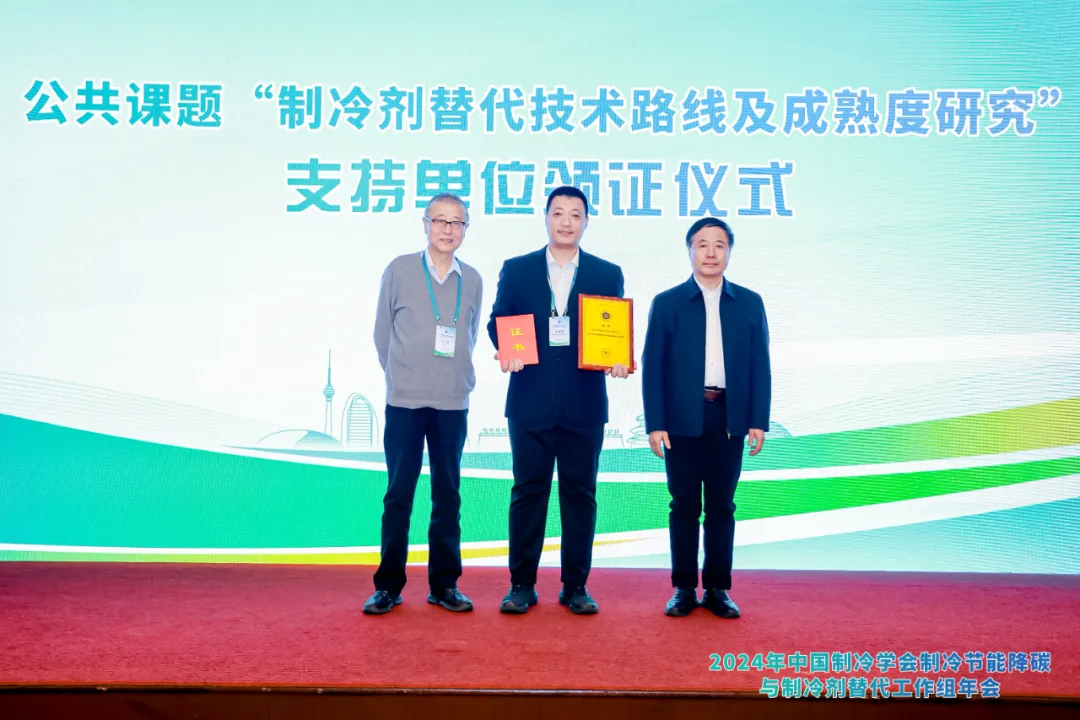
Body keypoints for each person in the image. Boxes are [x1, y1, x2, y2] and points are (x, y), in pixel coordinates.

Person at [487, 185, 629, 615]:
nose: (566, 222)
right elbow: (498, 321)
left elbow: (612, 332)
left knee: (580, 495)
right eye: (559, 213)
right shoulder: (517, 269)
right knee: (527, 493)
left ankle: (575, 586)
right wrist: (506, 348)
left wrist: (617, 358)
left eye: (575, 214)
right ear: (546, 218)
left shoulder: (607, 273)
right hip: (530, 400)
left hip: (584, 403)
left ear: (586, 222)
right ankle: (521, 585)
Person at [640, 217, 771, 619]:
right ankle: (683, 588)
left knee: (721, 506)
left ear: (729, 252)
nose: (711, 253)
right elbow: (653, 367)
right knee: (682, 504)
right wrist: (655, 423)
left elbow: (760, 364)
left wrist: (758, 419)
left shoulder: (749, 302)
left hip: (729, 416)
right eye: (702, 244)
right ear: (690, 251)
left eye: (719, 245)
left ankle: (717, 588)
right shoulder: (667, 303)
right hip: (681, 418)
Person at [364, 193, 483, 615]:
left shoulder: (473, 279)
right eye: (440, 220)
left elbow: (469, 336)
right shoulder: (399, 269)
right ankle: (388, 586)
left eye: (457, 223)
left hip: (452, 402)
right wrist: (403, 376)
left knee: (447, 495)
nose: (447, 229)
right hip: (405, 402)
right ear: (425, 224)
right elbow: (382, 335)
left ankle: (445, 585)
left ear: (465, 230)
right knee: (399, 494)